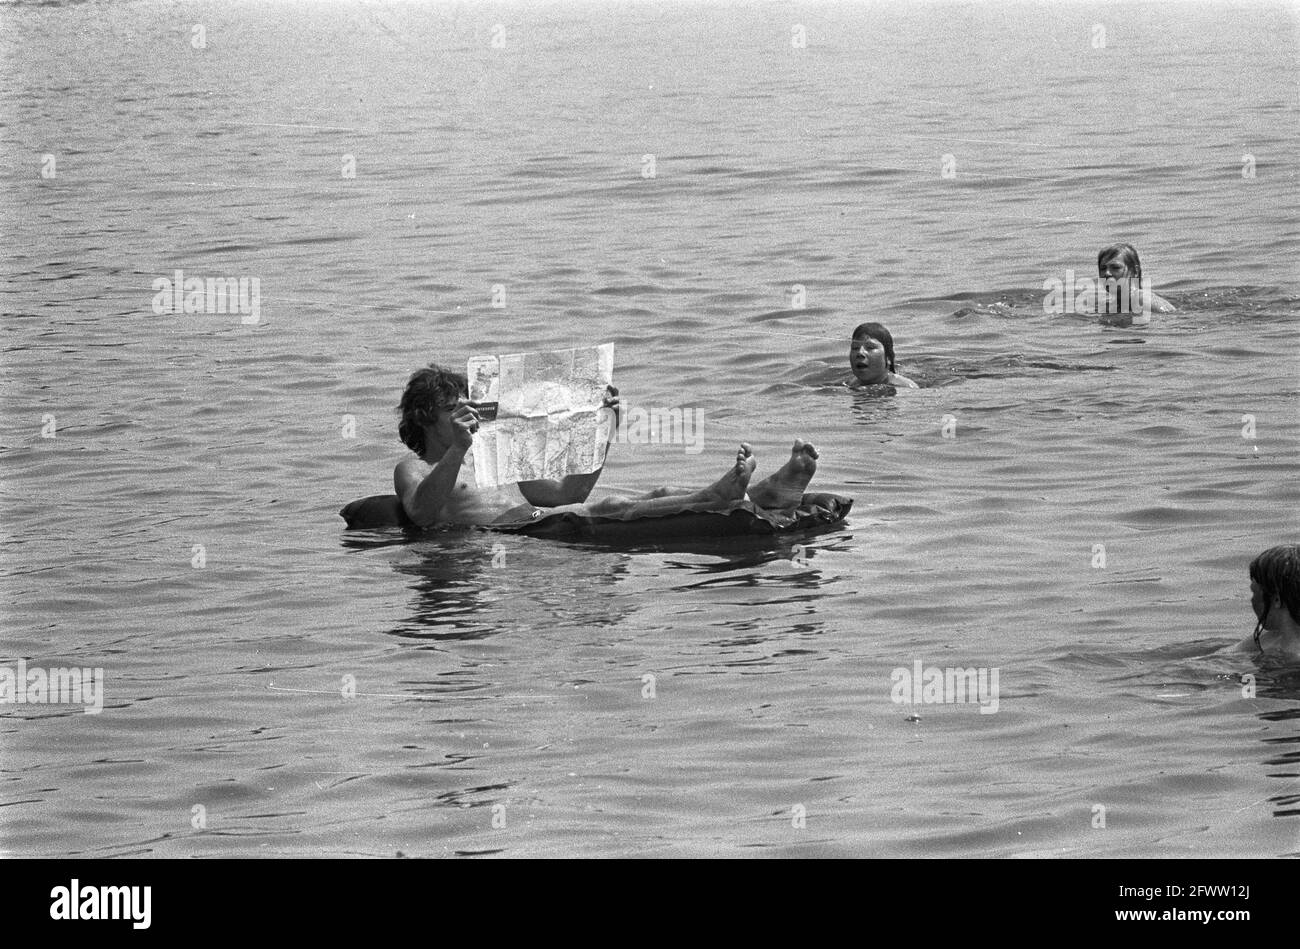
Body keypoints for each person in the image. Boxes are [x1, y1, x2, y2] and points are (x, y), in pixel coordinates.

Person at [393, 364, 823, 528]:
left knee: (652, 493)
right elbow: (422, 511)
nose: (468, 415)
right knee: (614, 505)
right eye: (454, 408)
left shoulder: (493, 452)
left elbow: (567, 493)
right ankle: (718, 497)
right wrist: (458, 451)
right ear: (424, 418)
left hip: (542, 517)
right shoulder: (412, 469)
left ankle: (766, 494)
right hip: (519, 533)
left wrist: (605, 430)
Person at [1240, 544, 1300, 659]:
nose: (1252, 601)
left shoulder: (1293, 656)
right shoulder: (1271, 638)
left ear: (1277, 599)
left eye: (1254, 592)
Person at [1097, 243, 1175, 315]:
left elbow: (1171, 318)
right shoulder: (1115, 304)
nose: (1106, 273)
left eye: (1115, 267)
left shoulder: (1143, 299)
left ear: (1135, 271)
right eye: (1103, 268)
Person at [848, 322, 918, 389]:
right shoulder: (850, 385)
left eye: (870, 347)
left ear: (888, 358)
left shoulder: (905, 387)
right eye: (855, 348)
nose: (860, 353)